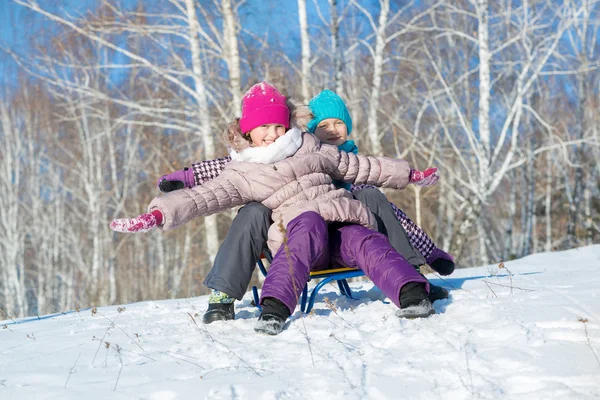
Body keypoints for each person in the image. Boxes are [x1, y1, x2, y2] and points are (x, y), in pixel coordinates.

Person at [111, 82, 437, 335]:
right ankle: (275, 309)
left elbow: (360, 166)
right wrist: (157, 214)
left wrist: (408, 174)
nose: (271, 134)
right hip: (298, 234)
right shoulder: (242, 170)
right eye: (263, 127)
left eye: (278, 126)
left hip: (338, 225)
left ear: (288, 125)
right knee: (306, 223)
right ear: (247, 131)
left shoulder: (311, 146)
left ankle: (412, 293)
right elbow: (202, 197)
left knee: (365, 238)